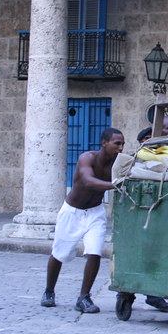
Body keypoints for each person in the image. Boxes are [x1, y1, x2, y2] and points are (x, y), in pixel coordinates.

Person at [40, 127, 125, 313]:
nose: (120, 148)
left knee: (94, 252)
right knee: (59, 253)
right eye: (116, 143)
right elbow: (88, 180)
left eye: (122, 144)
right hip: (72, 212)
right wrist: (115, 184)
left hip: (95, 212)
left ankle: (84, 297)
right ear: (104, 143)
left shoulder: (118, 165)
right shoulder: (87, 158)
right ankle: (49, 291)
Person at [128, 114, 168, 313]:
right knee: (143, 252)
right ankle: (130, 291)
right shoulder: (142, 155)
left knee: (163, 252)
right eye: (167, 129)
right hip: (144, 211)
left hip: (167, 212)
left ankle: (155, 294)